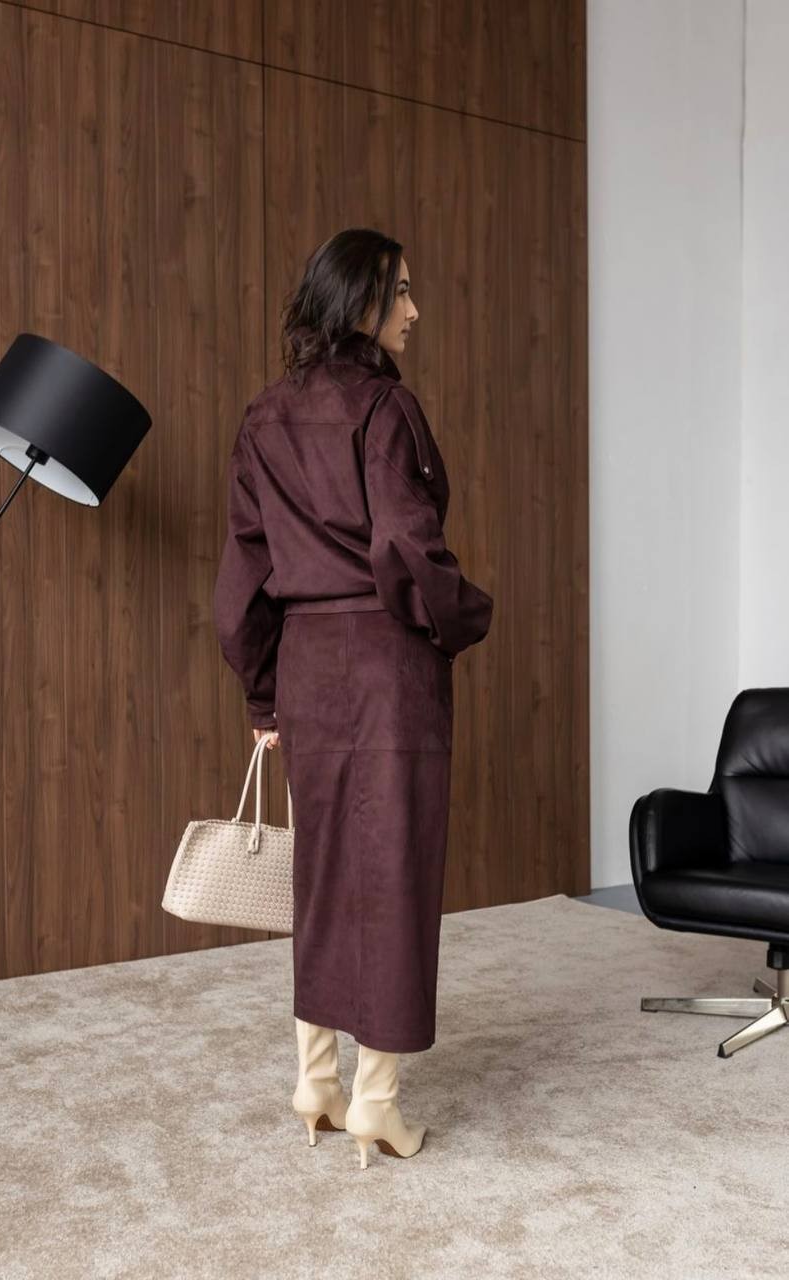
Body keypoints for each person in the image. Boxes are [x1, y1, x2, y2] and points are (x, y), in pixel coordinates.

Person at [212, 227, 494, 1169]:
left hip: (306, 667)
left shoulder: (263, 415)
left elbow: (240, 585)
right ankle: (376, 1101)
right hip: (386, 666)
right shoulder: (385, 407)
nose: (415, 310)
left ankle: (316, 1081)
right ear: (362, 302)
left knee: (324, 873)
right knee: (393, 871)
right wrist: (466, 614)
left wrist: (264, 698)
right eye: (401, 292)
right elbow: (406, 550)